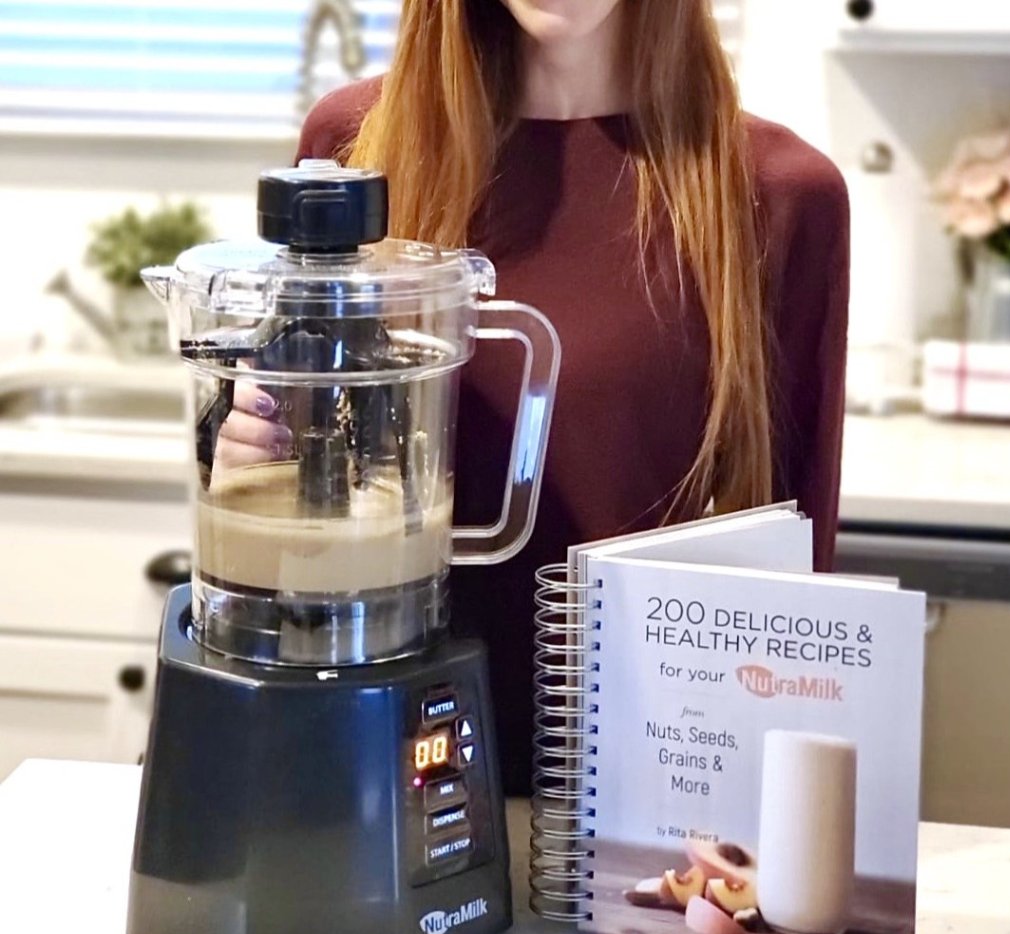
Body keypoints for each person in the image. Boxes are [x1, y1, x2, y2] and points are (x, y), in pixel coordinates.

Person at [230, 0, 850, 795]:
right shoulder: (353, 151)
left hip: (639, 802)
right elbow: (302, 507)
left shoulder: (782, 194)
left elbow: (795, 596)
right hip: (376, 768)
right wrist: (252, 452)